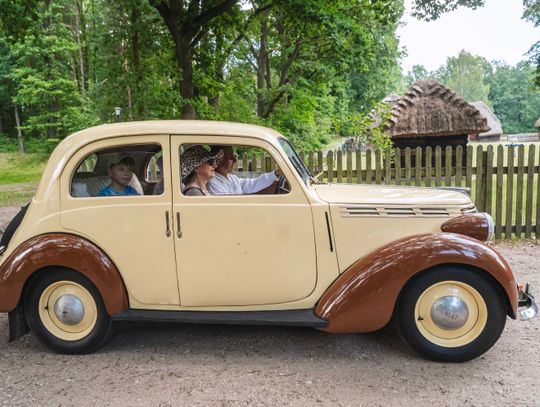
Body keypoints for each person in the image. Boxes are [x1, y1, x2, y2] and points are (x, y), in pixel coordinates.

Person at [207, 145, 282, 195]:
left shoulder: (231, 178)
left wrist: (275, 173)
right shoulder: (213, 184)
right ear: (218, 161)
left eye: (234, 156)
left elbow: (252, 184)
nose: (235, 160)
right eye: (230, 157)